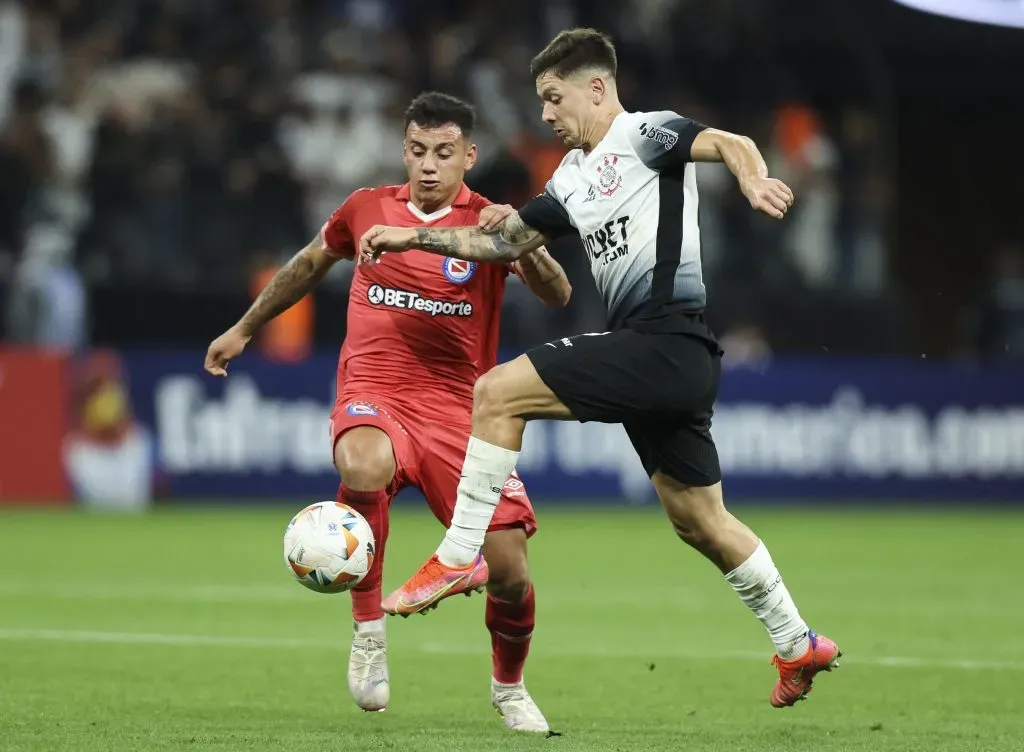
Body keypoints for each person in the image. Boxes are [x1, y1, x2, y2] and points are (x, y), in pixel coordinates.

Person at [359, 29, 841, 709]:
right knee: (700, 520)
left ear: (596, 87)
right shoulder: (572, 176)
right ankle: (798, 643)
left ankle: (461, 549)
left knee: (496, 392)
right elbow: (503, 240)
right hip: (661, 360)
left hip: (666, 340)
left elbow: (731, 143)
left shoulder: (648, 133)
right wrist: (415, 234)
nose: (547, 115)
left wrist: (753, 176)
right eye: (540, 102)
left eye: (554, 99)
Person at [205, 91, 572, 732]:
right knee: (363, 459)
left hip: (462, 411)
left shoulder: (487, 221)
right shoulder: (365, 208)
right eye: (418, 151)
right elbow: (305, 266)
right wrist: (245, 327)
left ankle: (509, 688)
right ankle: (369, 631)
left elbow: (559, 294)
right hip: (374, 386)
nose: (429, 166)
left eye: (444, 153)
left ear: (469, 156)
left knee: (510, 570)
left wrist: (526, 245)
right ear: (405, 150)